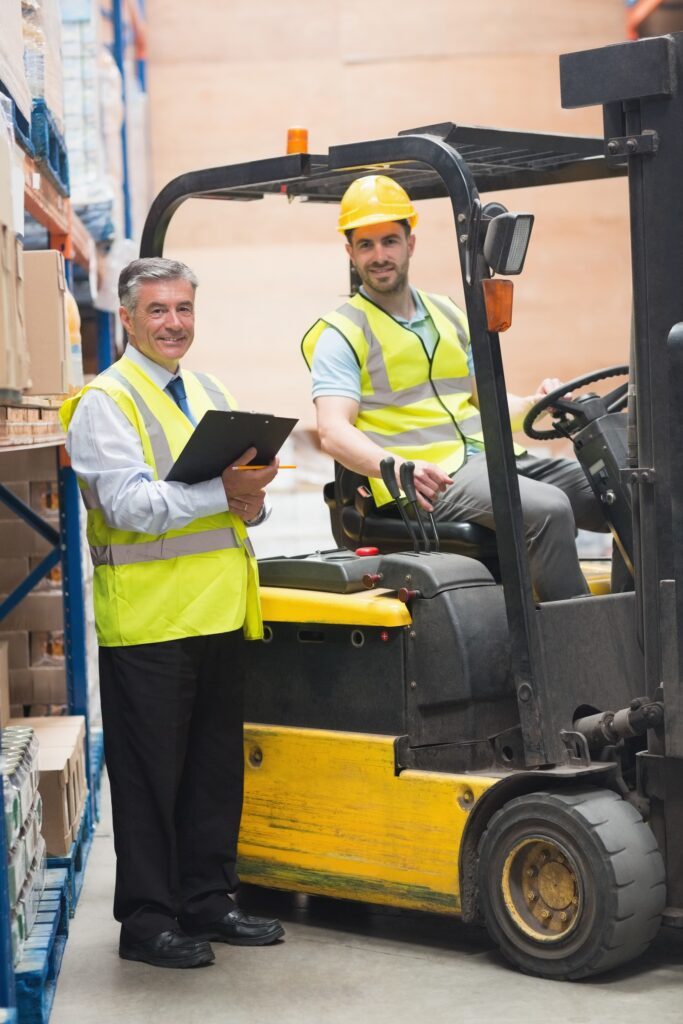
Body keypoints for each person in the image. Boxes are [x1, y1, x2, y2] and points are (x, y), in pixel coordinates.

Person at [60, 257, 285, 969]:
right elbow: (129, 506)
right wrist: (225, 494)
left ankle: (209, 901)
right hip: (150, 622)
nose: (174, 323)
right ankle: (149, 920)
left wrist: (251, 497)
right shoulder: (105, 401)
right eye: (157, 311)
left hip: (217, 612)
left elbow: (236, 497)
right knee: (150, 778)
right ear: (125, 318)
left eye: (183, 308)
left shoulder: (209, 390)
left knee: (213, 773)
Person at [302, 175, 609, 602]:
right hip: (426, 481)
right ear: (350, 251)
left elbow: (487, 405)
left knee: (624, 487)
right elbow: (334, 431)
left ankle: (644, 635)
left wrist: (540, 404)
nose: (379, 256)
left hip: (492, 458)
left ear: (410, 243)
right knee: (548, 509)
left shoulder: (445, 312)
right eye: (366, 245)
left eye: (389, 241)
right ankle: (578, 659)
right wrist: (396, 467)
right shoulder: (342, 332)